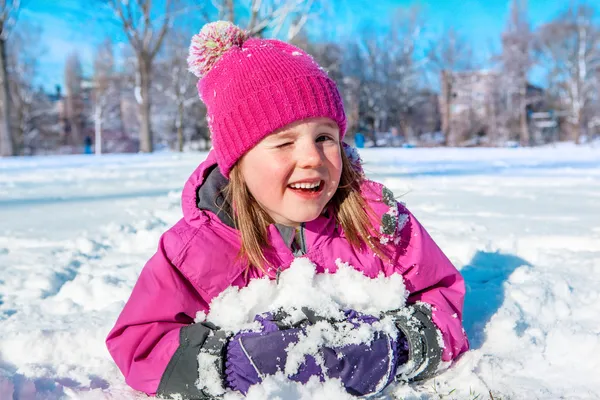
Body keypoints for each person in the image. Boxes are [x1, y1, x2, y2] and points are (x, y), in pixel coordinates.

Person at [106, 21, 469, 399]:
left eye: (325, 137)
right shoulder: (197, 248)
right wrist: (226, 363)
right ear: (239, 162)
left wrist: (398, 345)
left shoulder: (379, 221)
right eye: (284, 143)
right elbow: (140, 342)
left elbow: (443, 298)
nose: (312, 157)